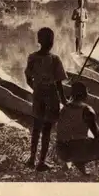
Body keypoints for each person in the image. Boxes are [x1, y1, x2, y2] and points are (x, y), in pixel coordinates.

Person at [24, 27, 69, 171]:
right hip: (51, 97)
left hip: (38, 95)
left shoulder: (32, 58)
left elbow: (28, 78)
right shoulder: (55, 59)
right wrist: (64, 101)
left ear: (39, 41)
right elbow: (58, 84)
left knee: (36, 127)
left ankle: (32, 159)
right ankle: (41, 162)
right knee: (47, 130)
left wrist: (36, 87)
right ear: (52, 42)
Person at [56, 82, 99, 175]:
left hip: (61, 151)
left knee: (81, 140)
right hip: (76, 150)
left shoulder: (64, 108)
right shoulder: (87, 110)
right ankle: (80, 160)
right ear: (85, 95)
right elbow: (97, 134)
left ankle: (77, 161)